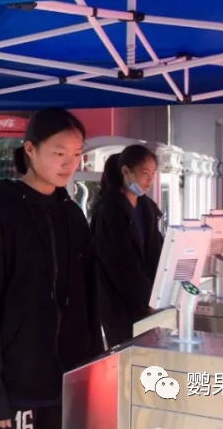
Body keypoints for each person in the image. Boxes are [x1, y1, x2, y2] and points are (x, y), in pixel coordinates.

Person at [0, 108, 103, 429]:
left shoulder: (72, 215)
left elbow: (89, 300)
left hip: (70, 377)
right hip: (18, 384)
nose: (69, 164)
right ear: (30, 149)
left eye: (77, 154)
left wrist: (95, 366)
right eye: (59, 153)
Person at [90, 145, 164, 348]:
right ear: (126, 171)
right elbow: (118, 265)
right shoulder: (109, 210)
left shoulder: (147, 208)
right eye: (145, 173)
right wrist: (146, 300)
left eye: (153, 173)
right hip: (119, 305)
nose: (150, 179)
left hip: (149, 302)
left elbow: (157, 251)